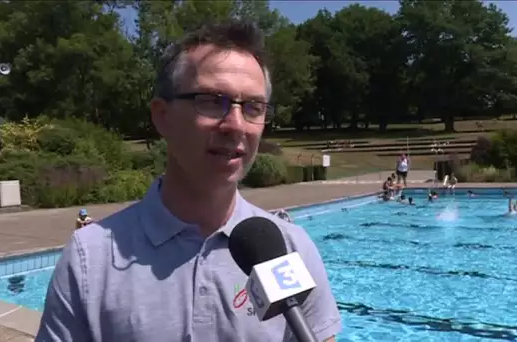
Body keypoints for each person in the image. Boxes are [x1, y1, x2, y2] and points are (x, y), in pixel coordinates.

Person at [37, 20, 341, 342]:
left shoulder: (291, 249)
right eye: (211, 100)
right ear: (162, 116)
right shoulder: (90, 259)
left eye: (253, 107)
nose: (236, 125)